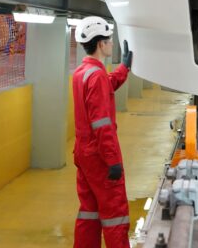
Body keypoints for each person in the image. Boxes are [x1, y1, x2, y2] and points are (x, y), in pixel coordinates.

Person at [72, 16, 134, 248]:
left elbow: (106, 85)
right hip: (100, 157)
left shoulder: (83, 72)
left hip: (84, 155)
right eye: (109, 39)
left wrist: (124, 68)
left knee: (89, 212)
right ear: (100, 44)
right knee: (115, 214)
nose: (111, 43)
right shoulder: (95, 75)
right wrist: (113, 161)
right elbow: (102, 124)